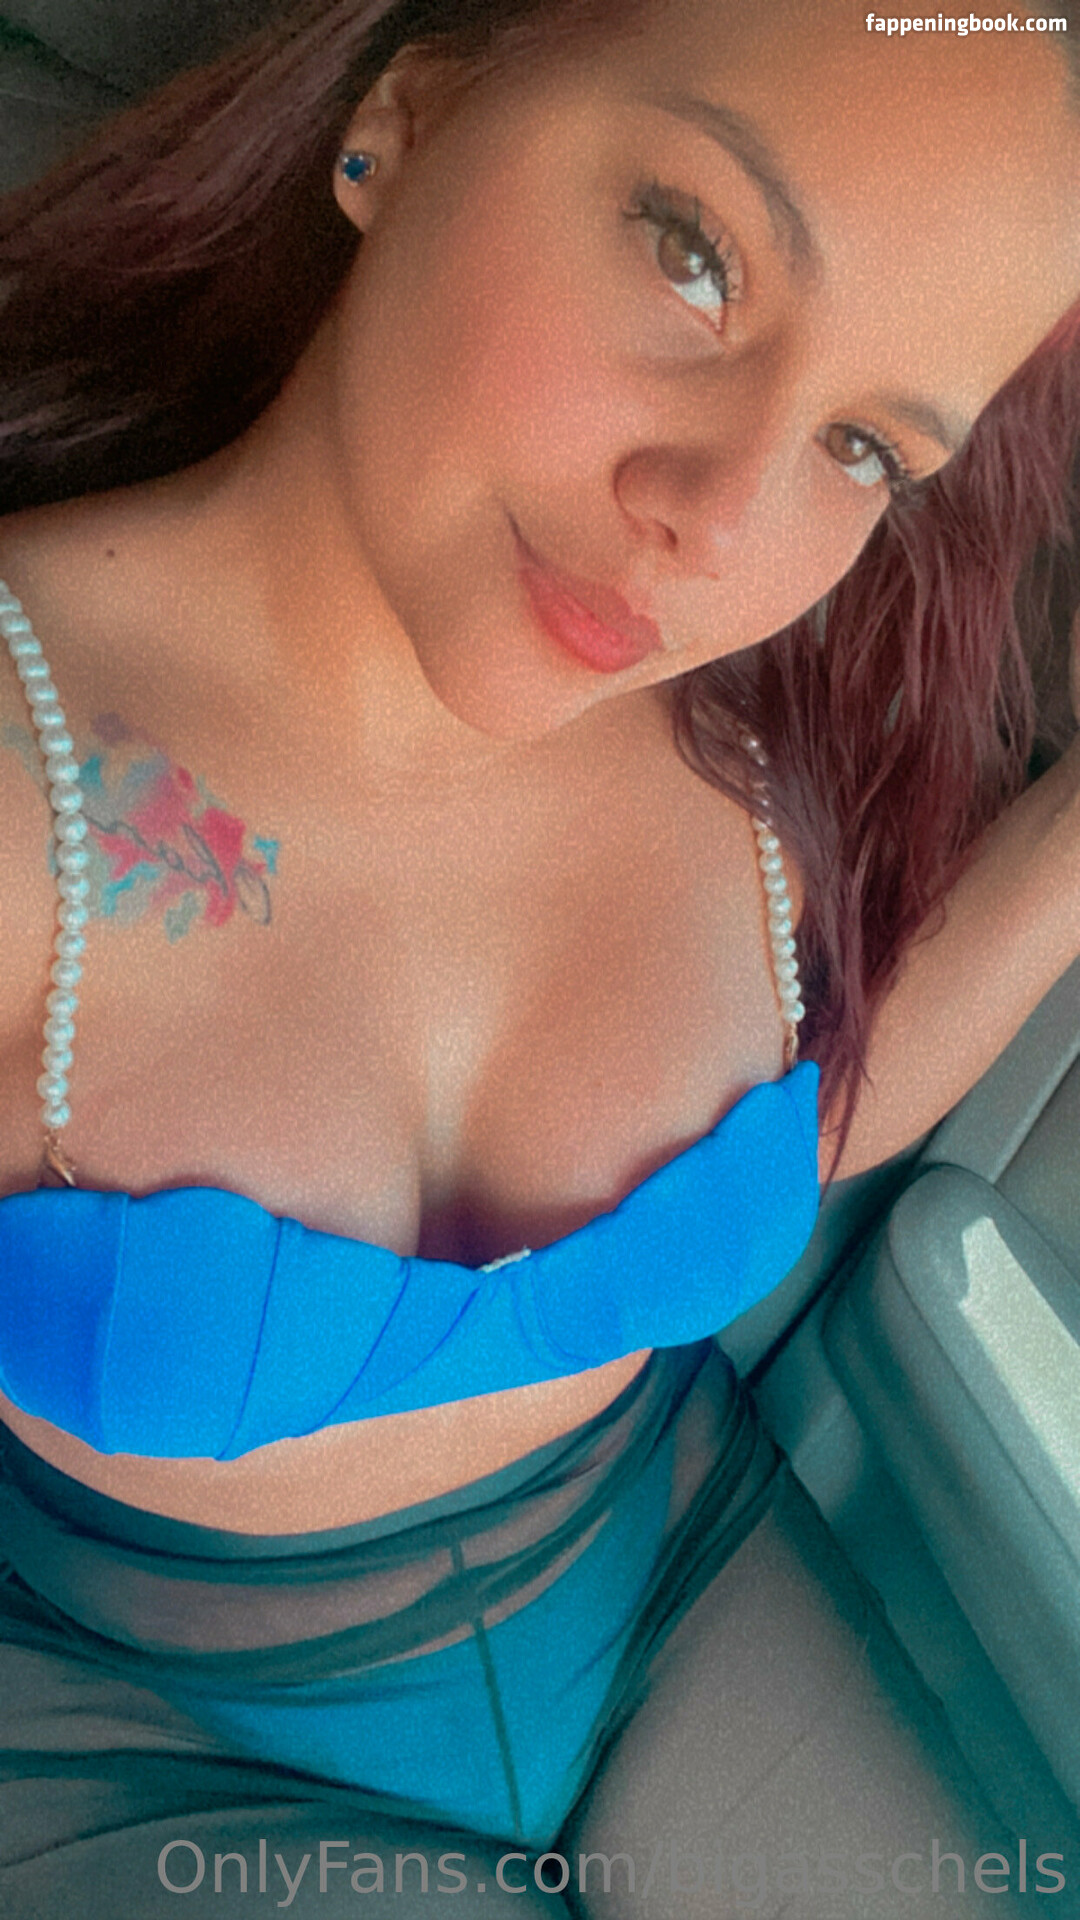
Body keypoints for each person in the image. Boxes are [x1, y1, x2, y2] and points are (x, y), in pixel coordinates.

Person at [0, 0, 1078, 1912]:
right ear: (406, 112)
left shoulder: (773, 742)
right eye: (694, 254)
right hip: (132, 1734)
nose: (719, 523)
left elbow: (816, 1115)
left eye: (862, 445)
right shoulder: (30, 790)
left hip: (673, 1576)